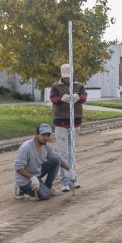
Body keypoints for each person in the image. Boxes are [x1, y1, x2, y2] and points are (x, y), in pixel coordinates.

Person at [50, 63, 87, 192]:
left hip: (75, 122)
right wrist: (61, 99)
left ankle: (73, 178)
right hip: (60, 123)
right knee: (62, 153)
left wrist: (78, 97)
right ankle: (64, 181)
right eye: (65, 77)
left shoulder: (79, 86)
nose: (67, 79)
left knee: (72, 152)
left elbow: (84, 97)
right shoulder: (56, 86)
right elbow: (53, 99)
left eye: (69, 77)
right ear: (62, 76)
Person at [13, 123, 71, 200]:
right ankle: (20, 188)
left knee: (56, 159)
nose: (46, 138)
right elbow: (18, 167)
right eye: (43, 135)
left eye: (48, 135)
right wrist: (32, 177)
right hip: (25, 179)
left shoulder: (46, 146)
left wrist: (69, 169)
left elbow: (58, 159)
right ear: (37, 135)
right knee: (45, 195)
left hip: (36, 175)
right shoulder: (26, 147)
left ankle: (48, 187)